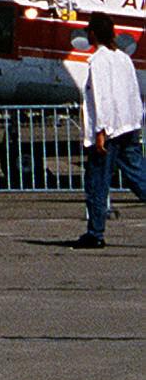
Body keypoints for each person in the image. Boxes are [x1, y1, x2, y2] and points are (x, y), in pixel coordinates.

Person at [74, 24, 146, 248]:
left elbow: (101, 97)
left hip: (109, 130)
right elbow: (133, 91)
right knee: (138, 176)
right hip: (127, 125)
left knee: (97, 182)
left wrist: (101, 131)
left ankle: (95, 233)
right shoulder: (124, 59)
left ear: (94, 34)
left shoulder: (98, 61)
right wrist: (135, 123)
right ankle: (94, 231)